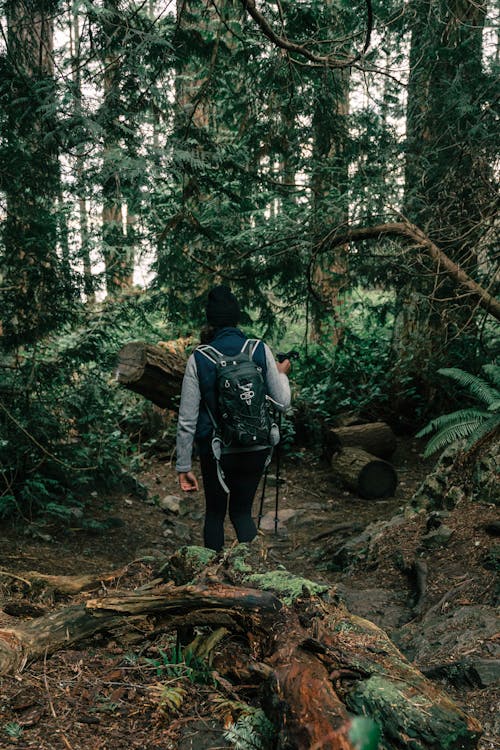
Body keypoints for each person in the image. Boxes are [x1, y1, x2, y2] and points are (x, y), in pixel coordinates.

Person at [176, 285, 291, 551]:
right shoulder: (259, 349)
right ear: (237, 317)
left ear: (210, 320)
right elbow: (283, 402)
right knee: (241, 513)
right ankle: (252, 578)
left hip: (217, 451)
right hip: (256, 447)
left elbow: (187, 420)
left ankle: (213, 584)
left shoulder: (199, 357)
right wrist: (281, 373)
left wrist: (184, 467)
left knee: (215, 515)